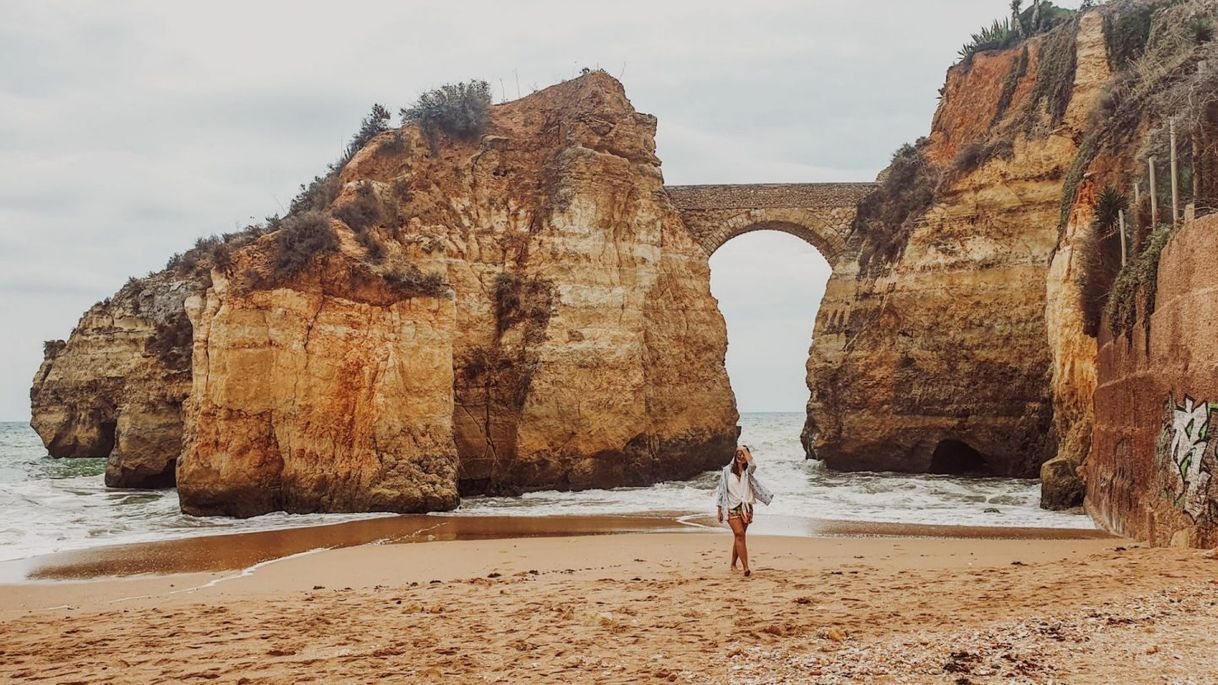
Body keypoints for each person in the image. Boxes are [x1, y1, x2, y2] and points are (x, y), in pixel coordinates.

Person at [714, 445, 772, 577]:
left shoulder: (748, 471)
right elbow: (722, 490)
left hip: (746, 507)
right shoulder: (727, 471)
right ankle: (746, 567)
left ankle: (733, 564)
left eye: (743, 455)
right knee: (739, 534)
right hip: (731, 507)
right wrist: (719, 509)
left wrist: (743, 449)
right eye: (738, 454)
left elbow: (753, 463)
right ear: (734, 456)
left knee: (739, 536)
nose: (741, 457)